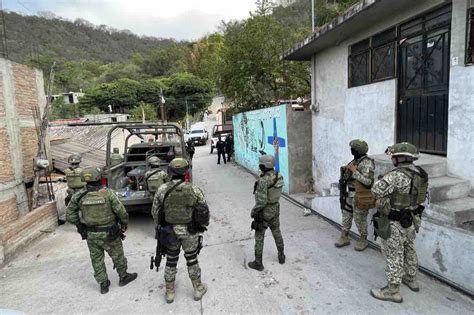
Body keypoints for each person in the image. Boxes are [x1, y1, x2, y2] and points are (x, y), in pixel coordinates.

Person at [370, 142, 428, 303]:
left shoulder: (396, 175)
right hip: (411, 218)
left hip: (395, 221)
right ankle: (410, 278)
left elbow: (376, 191)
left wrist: (382, 179)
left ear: (401, 158)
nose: (393, 159)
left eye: (394, 157)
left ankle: (392, 290)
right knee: (409, 248)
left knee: (393, 253)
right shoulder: (420, 172)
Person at [66, 167, 138, 294]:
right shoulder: (108, 193)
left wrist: (80, 226)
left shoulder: (78, 195)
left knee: (96, 259)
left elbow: (70, 215)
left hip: (90, 234)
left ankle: (103, 284)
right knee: (117, 255)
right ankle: (123, 276)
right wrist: (124, 223)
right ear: (99, 178)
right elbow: (121, 211)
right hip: (110, 233)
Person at [151, 158, 210, 304]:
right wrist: (200, 226)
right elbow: (203, 210)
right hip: (189, 231)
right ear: (186, 172)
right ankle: (197, 288)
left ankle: (170, 292)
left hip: (170, 231)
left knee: (171, 260)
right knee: (192, 259)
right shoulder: (194, 189)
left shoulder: (162, 189)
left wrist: (159, 227)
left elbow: (155, 212)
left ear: (170, 172)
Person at [335, 139, 375, 251]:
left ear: (358, 150)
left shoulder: (367, 163)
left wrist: (354, 171)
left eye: (353, 148)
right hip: (349, 195)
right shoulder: (355, 160)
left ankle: (363, 239)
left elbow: (368, 182)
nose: (351, 150)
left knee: (359, 219)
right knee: (346, 215)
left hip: (360, 196)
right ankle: (344, 236)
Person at [248, 155, 285, 271]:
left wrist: (254, 211)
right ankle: (281, 255)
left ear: (265, 165)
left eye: (261, 164)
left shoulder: (263, 180)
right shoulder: (279, 176)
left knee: (259, 236)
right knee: (276, 231)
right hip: (275, 208)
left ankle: (258, 263)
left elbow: (261, 201)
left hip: (264, 211)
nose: (260, 166)